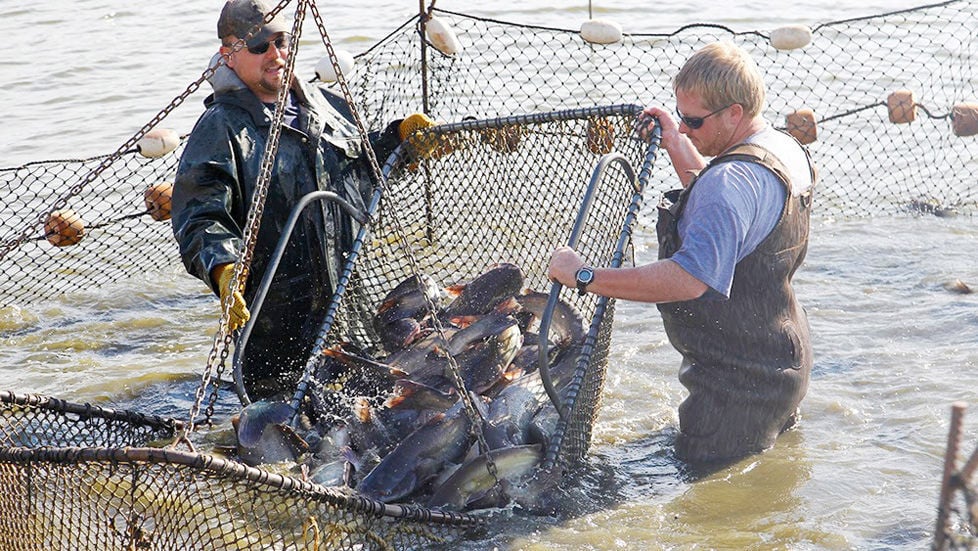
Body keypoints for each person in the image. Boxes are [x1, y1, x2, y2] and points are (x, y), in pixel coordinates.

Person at [549, 41, 816, 467]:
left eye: (693, 120)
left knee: (708, 502)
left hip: (734, 389)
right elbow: (730, 214)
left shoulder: (728, 184)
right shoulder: (783, 150)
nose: (687, 126)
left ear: (734, 112)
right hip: (785, 362)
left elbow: (689, 279)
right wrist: (675, 140)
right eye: (681, 117)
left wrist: (584, 276)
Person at [172, 0, 436, 401]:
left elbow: (364, 175)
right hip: (276, 340)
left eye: (282, 41)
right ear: (229, 53)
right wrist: (222, 269)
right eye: (260, 46)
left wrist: (400, 141)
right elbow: (199, 216)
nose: (276, 55)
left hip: (350, 319)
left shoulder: (328, 106)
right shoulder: (220, 129)